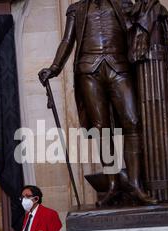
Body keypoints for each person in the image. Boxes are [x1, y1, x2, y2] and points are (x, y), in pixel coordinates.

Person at [39, 0, 158, 206]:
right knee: (101, 129)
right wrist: (55, 67)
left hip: (119, 66)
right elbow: (68, 41)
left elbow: (148, 11)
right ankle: (112, 184)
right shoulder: (76, 9)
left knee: (133, 121)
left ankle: (135, 184)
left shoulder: (123, 5)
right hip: (88, 70)